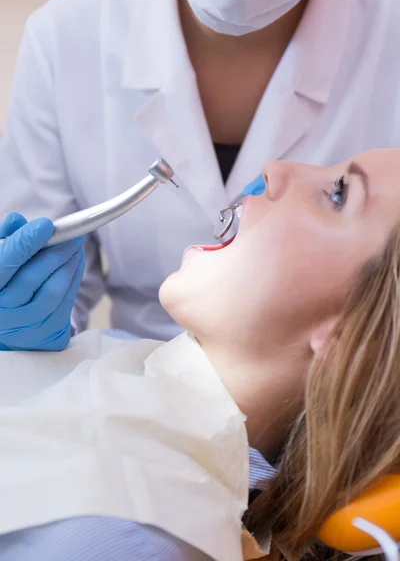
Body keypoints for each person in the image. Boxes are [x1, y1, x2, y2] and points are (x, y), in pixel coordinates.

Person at [1, 148, 400, 561]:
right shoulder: (115, 360)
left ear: (351, 336)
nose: (273, 169)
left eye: (338, 193)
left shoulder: (126, 536)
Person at [1, 0, 400, 351]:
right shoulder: (63, 36)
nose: (271, 173)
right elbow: (46, 281)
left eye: (339, 192)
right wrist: (27, 326)